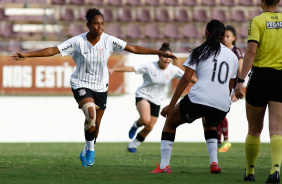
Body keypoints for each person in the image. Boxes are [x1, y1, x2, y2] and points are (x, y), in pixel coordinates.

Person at [8, 8, 177, 168]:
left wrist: (158, 52)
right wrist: (27, 54)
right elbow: (53, 50)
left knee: (95, 124)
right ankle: (91, 150)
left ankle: (85, 149)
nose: (100, 27)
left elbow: (132, 48)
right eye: (96, 23)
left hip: (101, 87)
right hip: (80, 83)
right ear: (88, 25)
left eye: (102, 23)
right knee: (90, 113)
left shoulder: (109, 40)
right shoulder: (77, 41)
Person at [151, 20, 238, 174]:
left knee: (170, 122)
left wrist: (171, 105)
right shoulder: (232, 57)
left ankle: (164, 166)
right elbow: (230, 86)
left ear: (206, 33)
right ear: (222, 36)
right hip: (223, 104)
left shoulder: (199, 51)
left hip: (200, 98)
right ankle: (214, 163)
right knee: (210, 123)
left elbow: (185, 79)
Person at [109, 43, 197, 153]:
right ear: (159, 56)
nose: (167, 59)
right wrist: (114, 69)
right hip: (143, 95)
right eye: (165, 56)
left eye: (169, 57)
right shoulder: (149, 66)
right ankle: (136, 125)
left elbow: (187, 77)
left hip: (157, 99)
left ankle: (133, 145)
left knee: (149, 127)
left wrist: (202, 84)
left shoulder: (173, 70)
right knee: (146, 120)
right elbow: (132, 68)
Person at [235, 0, 282, 182]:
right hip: (280, 78)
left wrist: (241, 80)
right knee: (277, 128)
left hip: (260, 77)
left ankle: (250, 172)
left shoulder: (257, 21)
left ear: (261, 1)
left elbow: (251, 52)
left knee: (254, 129)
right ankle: (275, 169)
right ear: (278, 1)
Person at [217, 25, 244, 152]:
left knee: (220, 112)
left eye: (228, 36)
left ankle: (225, 140)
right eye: (223, 37)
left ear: (233, 38)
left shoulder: (236, 51)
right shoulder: (220, 50)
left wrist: (238, 89)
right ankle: (219, 141)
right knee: (215, 113)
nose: (225, 39)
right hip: (219, 87)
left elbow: (241, 70)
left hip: (230, 88)